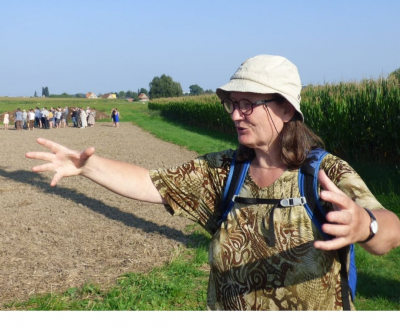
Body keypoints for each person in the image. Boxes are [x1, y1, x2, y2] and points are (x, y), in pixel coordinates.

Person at [25, 54, 400, 311]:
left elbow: (390, 231)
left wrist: (363, 224)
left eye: (248, 104)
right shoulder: (222, 171)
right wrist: (87, 167)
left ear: (285, 108)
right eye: (232, 103)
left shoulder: (322, 174)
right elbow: (152, 184)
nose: (236, 114)